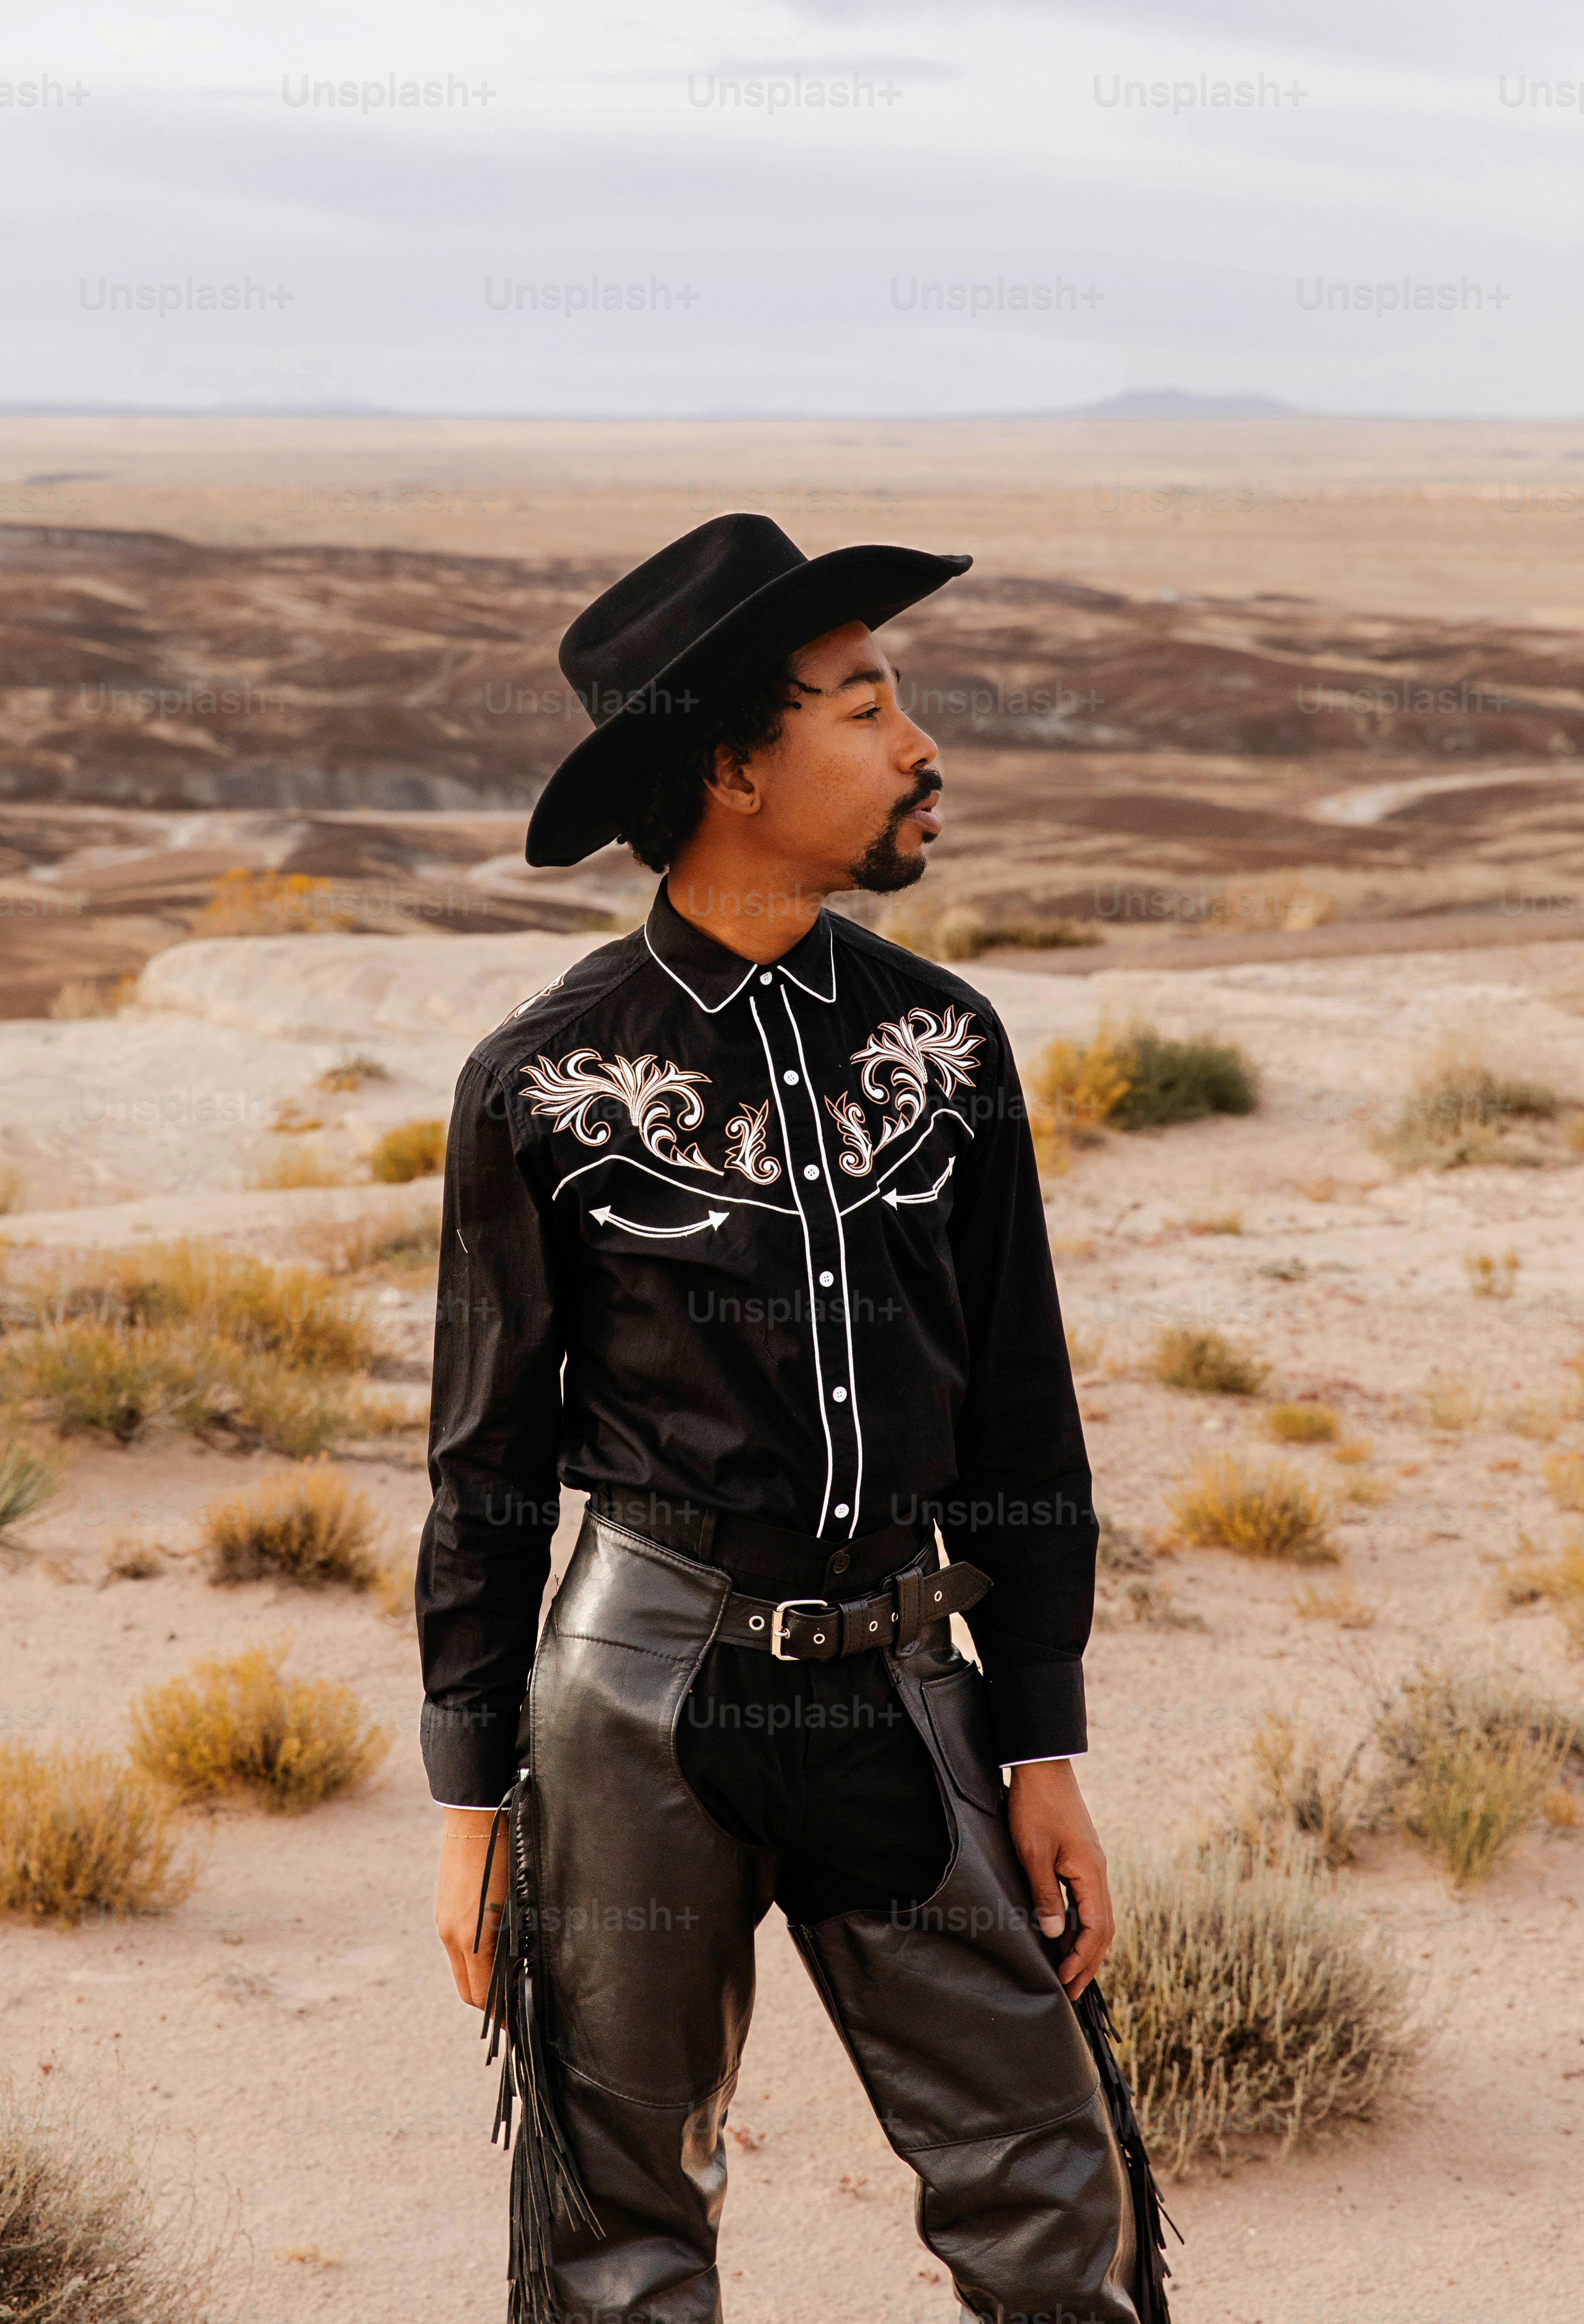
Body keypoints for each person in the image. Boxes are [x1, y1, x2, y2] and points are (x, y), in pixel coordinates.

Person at [416, 513, 1169, 2324]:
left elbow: (1020, 1417)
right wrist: (468, 1799)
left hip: (903, 1691)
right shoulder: (543, 1081)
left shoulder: (950, 1044)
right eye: (863, 709)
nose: (919, 751)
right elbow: (489, 1463)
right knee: (619, 2237)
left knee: (1053, 2189)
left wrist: (1042, 1741)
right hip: (633, 1706)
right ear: (735, 768)